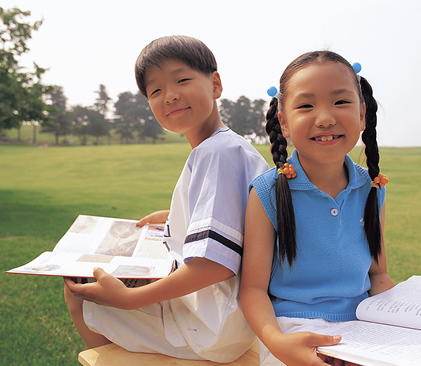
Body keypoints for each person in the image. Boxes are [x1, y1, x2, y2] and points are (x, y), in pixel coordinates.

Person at [64, 35, 269, 362]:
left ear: (215, 84)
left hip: (210, 323)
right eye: (155, 90)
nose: (170, 96)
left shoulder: (217, 153)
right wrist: (177, 218)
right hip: (228, 315)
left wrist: (131, 299)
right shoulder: (228, 146)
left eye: (182, 80)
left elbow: (215, 265)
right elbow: (238, 223)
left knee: (80, 292)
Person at [240, 50, 395, 366]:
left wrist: (401, 325)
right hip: (293, 332)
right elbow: (253, 290)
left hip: (365, 328)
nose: (325, 118)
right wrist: (278, 344)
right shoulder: (268, 191)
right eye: (306, 105)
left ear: (363, 114)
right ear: (283, 122)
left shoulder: (372, 188)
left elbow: (379, 274)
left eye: (340, 102)